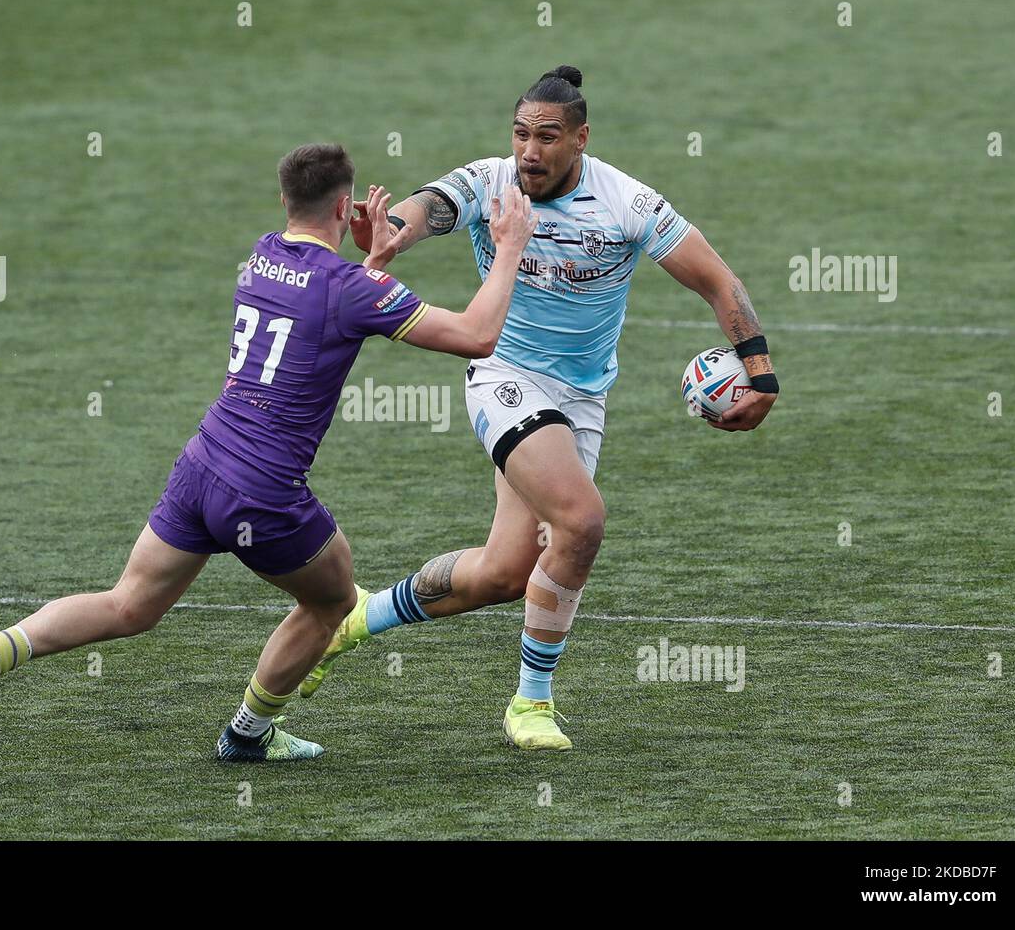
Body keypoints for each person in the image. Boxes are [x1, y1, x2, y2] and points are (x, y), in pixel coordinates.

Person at [0, 142, 537, 761]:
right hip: (262, 491)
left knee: (128, 604)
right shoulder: (348, 286)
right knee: (333, 604)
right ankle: (248, 733)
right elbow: (476, 337)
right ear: (347, 207)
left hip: (202, 467)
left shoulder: (263, 256)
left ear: (285, 200)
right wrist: (508, 247)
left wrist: (377, 259)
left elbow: (328, 302)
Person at [301, 67, 780, 751]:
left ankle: (356, 619)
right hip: (505, 376)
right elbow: (426, 208)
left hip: (582, 397)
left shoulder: (626, 202)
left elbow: (717, 280)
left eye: (547, 137)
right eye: (521, 134)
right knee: (581, 522)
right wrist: (387, 230)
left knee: (504, 573)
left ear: (580, 139)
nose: (530, 150)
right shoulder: (490, 182)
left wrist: (762, 376)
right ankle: (531, 703)